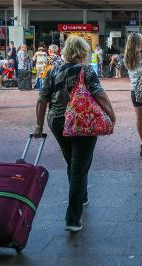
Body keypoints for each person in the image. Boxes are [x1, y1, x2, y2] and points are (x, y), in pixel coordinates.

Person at [34, 36, 116, 232]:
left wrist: (39, 126)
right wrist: (111, 115)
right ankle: (72, 219)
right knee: (79, 167)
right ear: (82, 52)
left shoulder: (53, 70)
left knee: (73, 161)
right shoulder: (85, 70)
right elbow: (99, 94)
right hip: (81, 120)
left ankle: (83, 196)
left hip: (56, 121)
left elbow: (41, 100)